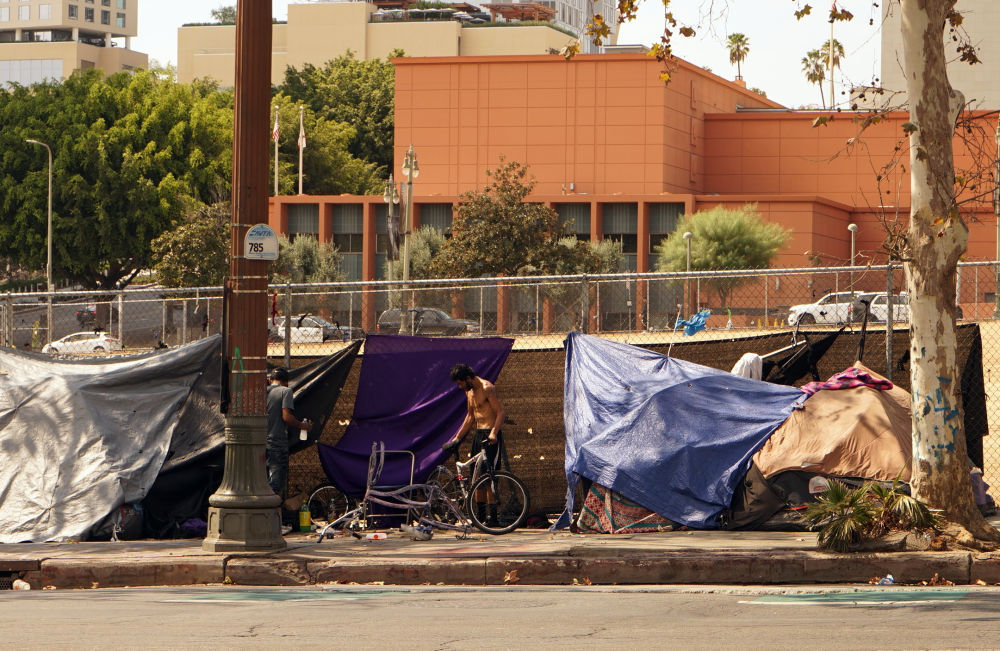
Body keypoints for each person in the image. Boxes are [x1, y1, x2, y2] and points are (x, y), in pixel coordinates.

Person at [443, 363, 506, 525]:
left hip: (490, 435)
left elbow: (500, 412)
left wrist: (493, 432)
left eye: (461, 383)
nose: (459, 386)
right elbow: (470, 416)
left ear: (469, 378)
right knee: (476, 477)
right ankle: (480, 517)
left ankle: (493, 518)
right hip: (478, 435)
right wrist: (457, 439)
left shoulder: (487, 388)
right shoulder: (469, 392)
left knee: (489, 477)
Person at [265, 367, 312, 505]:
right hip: (277, 442)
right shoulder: (285, 391)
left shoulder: (263, 391)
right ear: (285, 382)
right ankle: (271, 518)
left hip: (260, 443)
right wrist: (303, 426)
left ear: (270, 380)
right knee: (276, 483)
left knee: (263, 482)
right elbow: (286, 416)